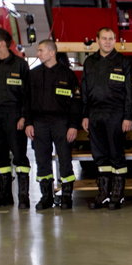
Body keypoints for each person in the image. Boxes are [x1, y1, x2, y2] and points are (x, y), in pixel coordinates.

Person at [24, 40, 82, 210]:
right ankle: (46, 196)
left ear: (51, 52)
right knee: (42, 161)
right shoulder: (33, 75)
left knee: (65, 159)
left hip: (61, 123)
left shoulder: (67, 75)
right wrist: (28, 122)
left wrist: (73, 125)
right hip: (39, 123)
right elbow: (26, 102)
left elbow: (76, 103)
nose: (38, 54)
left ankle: (66, 196)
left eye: (41, 50)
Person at [81, 27, 132, 210]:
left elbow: (129, 93)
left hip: (116, 115)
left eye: (111, 39)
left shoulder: (123, 62)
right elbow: (85, 91)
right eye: (104, 38)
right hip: (95, 115)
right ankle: (103, 194)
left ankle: (117, 195)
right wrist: (85, 115)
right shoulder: (89, 62)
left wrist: (128, 117)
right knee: (100, 156)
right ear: (97, 40)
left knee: (116, 155)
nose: (107, 42)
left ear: (115, 41)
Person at [0, 27, 31, 209]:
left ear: (1, 43)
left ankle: (23, 196)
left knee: (19, 156)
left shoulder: (20, 65)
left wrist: (24, 116)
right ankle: (4, 195)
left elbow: (27, 95)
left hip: (14, 115)